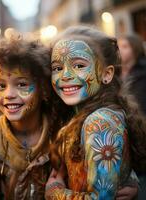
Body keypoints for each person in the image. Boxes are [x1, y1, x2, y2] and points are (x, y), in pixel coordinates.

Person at [45, 25, 146, 199]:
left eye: (78, 65)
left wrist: (54, 192)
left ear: (106, 74)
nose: (65, 75)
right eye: (57, 68)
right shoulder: (78, 113)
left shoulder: (100, 122)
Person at [0, 35, 68, 199]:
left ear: (43, 88)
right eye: (1, 86)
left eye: (22, 84)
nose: (9, 94)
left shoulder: (63, 132)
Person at [118, 34, 146, 200]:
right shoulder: (115, 72)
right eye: (119, 45)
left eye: (125, 46)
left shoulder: (143, 73)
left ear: (135, 49)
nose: (120, 49)